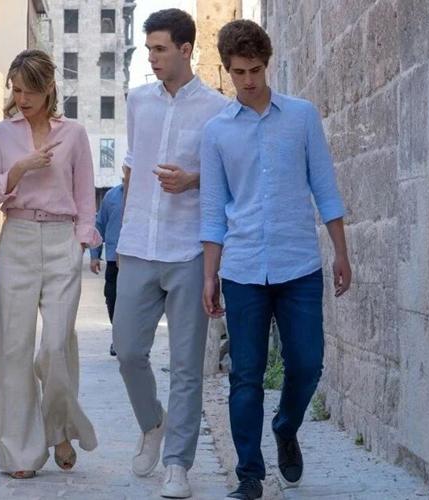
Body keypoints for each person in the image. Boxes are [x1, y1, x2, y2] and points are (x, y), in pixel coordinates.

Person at [200, 20, 351, 500]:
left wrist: (341, 251)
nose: (248, 80)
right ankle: (250, 474)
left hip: (298, 264)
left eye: (256, 70)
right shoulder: (216, 132)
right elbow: (212, 211)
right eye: (239, 72)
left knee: (307, 363)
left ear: (268, 64)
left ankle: (286, 426)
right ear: (227, 71)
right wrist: (209, 275)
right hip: (242, 268)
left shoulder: (302, 117)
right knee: (245, 374)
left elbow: (325, 187)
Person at [111, 9, 228, 498]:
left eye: (160, 49)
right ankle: (152, 423)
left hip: (188, 250)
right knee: (128, 351)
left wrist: (193, 180)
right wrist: (122, 232)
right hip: (139, 244)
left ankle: (178, 463)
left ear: (185, 50)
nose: (152, 58)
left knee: (185, 366)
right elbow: (131, 168)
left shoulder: (218, 109)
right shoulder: (138, 101)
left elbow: (226, 178)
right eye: (149, 49)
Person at [0, 49, 100, 479]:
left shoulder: (75, 134)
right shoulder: (1, 134)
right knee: (14, 349)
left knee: (55, 346)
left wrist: (82, 241)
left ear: (49, 87)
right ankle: (20, 453)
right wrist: (19, 169)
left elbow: (86, 195)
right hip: (18, 238)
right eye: (16, 90)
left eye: (30, 90)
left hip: (63, 238)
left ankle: (60, 428)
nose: (22, 99)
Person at [88, 172, 126, 356]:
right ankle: (118, 337)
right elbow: (99, 225)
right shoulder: (111, 196)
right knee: (112, 298)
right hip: (113, 260)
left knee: (137, 302)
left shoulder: (146, 196)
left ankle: (133, 342)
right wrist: (94, 255)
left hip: (137, 260)